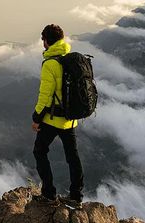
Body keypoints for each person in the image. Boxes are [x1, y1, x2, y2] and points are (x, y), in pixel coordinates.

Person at [31, 24, 84, 208]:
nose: (42, 43)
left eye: (43, 39)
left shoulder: (50, 64)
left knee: (39, 151)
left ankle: (49, 194)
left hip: (53, 119)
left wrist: (36, 118)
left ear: (46, 41)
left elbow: (45, 96)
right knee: (73, 157)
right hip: (70, 119)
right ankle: (76, 197)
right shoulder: (69, 59)